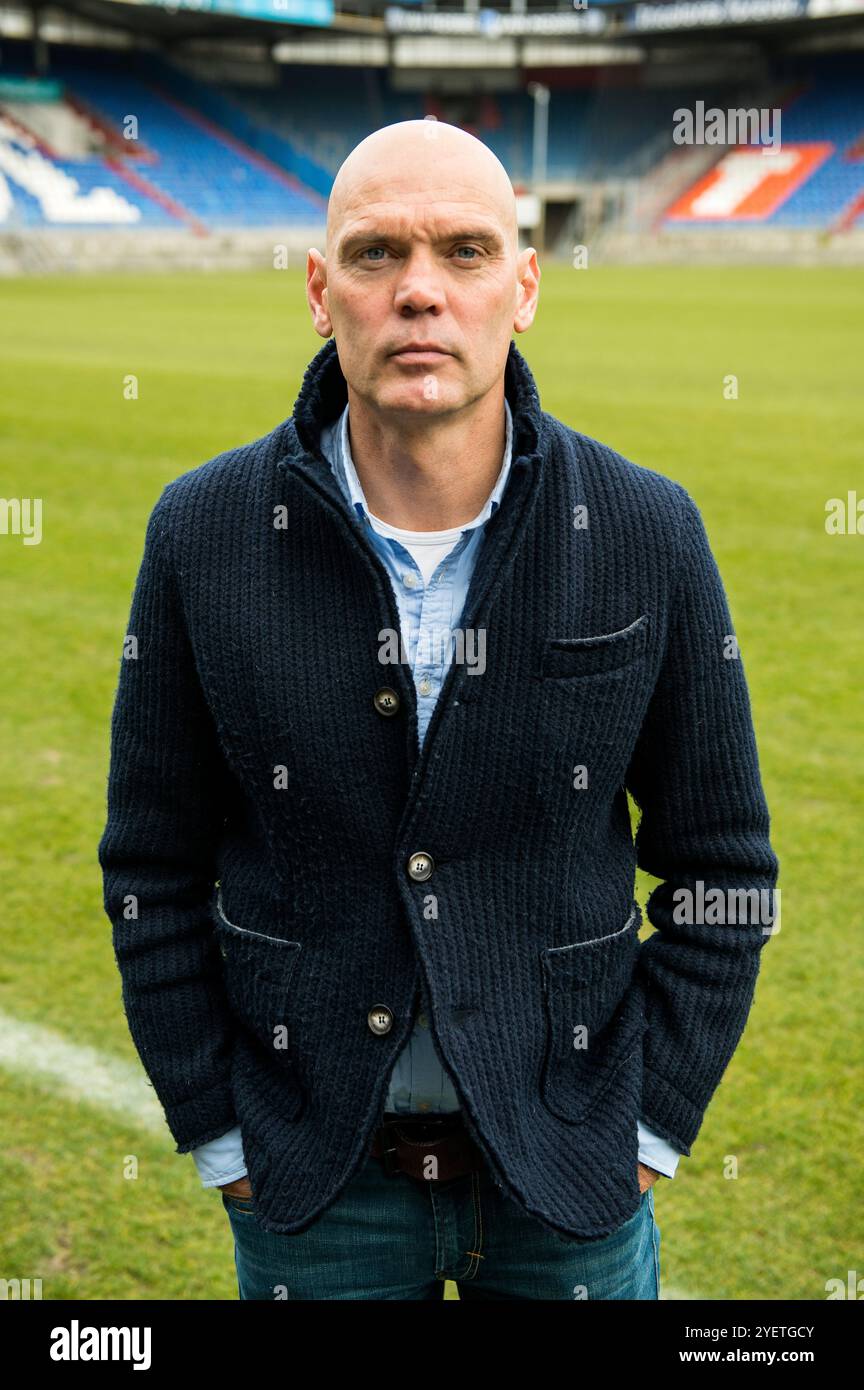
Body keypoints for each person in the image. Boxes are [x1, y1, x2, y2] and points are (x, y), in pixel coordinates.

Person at [98, 118, 778, 1300]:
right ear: (321, 291)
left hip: (573, 1183)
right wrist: (222, 1139)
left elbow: (723, 870)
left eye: (465, 252)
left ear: (524, 286)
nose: (420, 291)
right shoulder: (202, 533)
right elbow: (150, 869)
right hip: (312, 1190)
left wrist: (647, 1132)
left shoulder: (644, 529)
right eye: (375, 255)